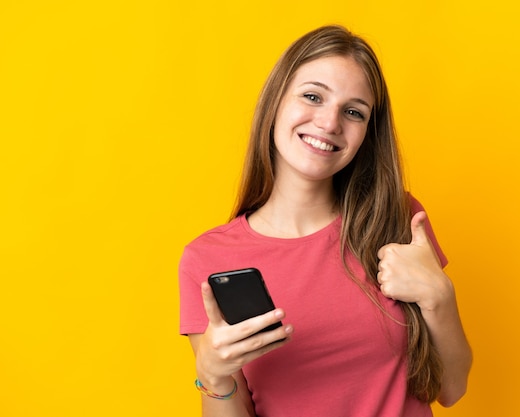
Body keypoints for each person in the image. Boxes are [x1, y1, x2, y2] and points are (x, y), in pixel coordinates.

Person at [179, 25, 472, 417]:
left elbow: (450, 388)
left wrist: (440, 295)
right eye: (313, 96)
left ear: (367, 133)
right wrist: (214, 378)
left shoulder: (398, 220)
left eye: (353, 112)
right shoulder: (208, 258)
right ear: (276, 103)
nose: (330, 123)